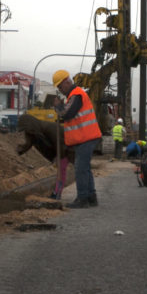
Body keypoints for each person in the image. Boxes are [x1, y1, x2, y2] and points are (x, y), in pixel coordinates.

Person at [52, 69, 102, 208]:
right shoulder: (73, 96)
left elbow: (66, 114)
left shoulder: (76, 95)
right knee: (85, 168)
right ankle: (91, 197)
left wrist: (58, 106)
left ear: (67, 82)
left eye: (60, 87)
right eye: (58, 88)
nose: (60, 90)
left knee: (80, 168)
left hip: (86, 137)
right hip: (84, 138)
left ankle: (82, 199)